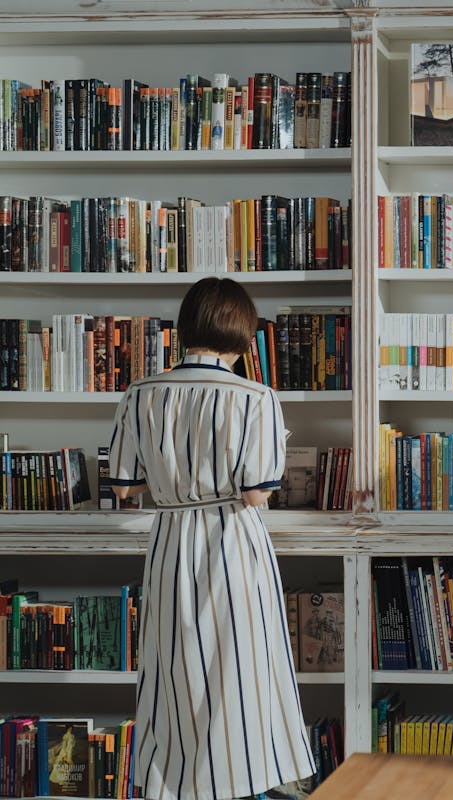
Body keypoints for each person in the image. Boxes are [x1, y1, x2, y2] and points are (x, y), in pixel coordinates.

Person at [109, 277, 315, 800]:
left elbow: (125, 486)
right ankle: (241, 782)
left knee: (171, 672)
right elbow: (256, 494)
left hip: (171, 542)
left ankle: (174, 784)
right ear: (243, 333)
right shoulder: (256, 396)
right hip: (230, 543)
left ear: (186, 327)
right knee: (238, 673)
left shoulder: (141, 393)